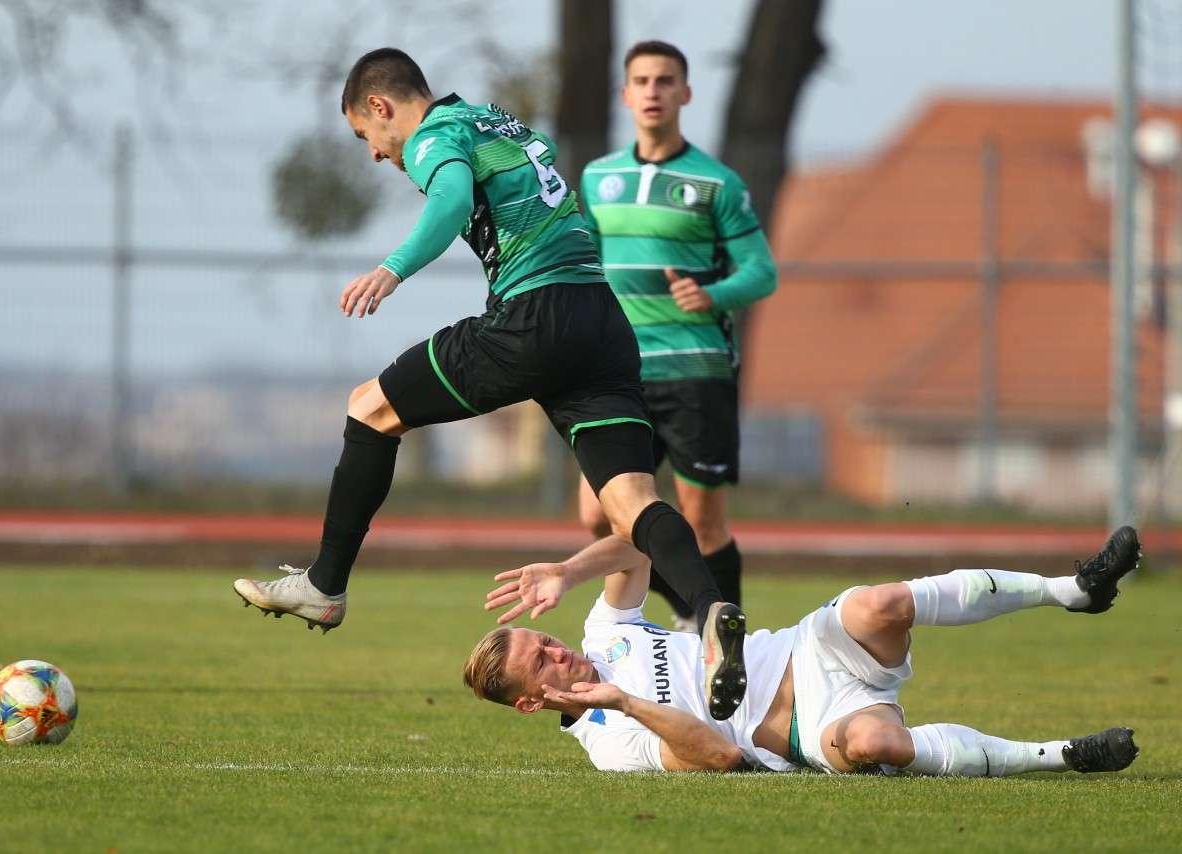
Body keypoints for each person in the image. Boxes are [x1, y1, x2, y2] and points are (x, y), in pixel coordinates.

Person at [231, 47, 748, 719]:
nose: (376, 154)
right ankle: (710, 614)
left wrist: (392, 268)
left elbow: (449, 199)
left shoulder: (434, 136)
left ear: (381, 107)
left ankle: (326, 585)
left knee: (370, 409)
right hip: (603, 322)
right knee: (632, 504)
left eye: (366, 135)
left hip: (536, 318)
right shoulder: (492, 120)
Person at [463, 526, 1142, 776]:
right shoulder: (611, 746)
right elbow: (719, 758)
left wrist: (566, 571)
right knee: (877, 744)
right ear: (530, 705)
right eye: (541, 664)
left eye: (545, 641)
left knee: (878, 604)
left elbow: (637, 548)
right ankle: (1064, 756)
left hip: (806, 649)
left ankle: (1074, 590)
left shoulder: (604, 632)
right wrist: (627, 703)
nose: (558, 654)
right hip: (805, 730)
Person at [576, 41, 778, 631]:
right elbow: (586, 264)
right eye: (641, 80)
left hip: (695, 372)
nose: (653, 91)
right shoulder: (598, 177)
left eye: (665, 81)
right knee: (598, 514)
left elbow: (761, 271)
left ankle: (728, 640)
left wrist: (712, 294)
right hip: (620, 373)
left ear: (685, 93)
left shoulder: (716, 183)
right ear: (625, 94)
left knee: (703, 520)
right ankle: (692, 609)